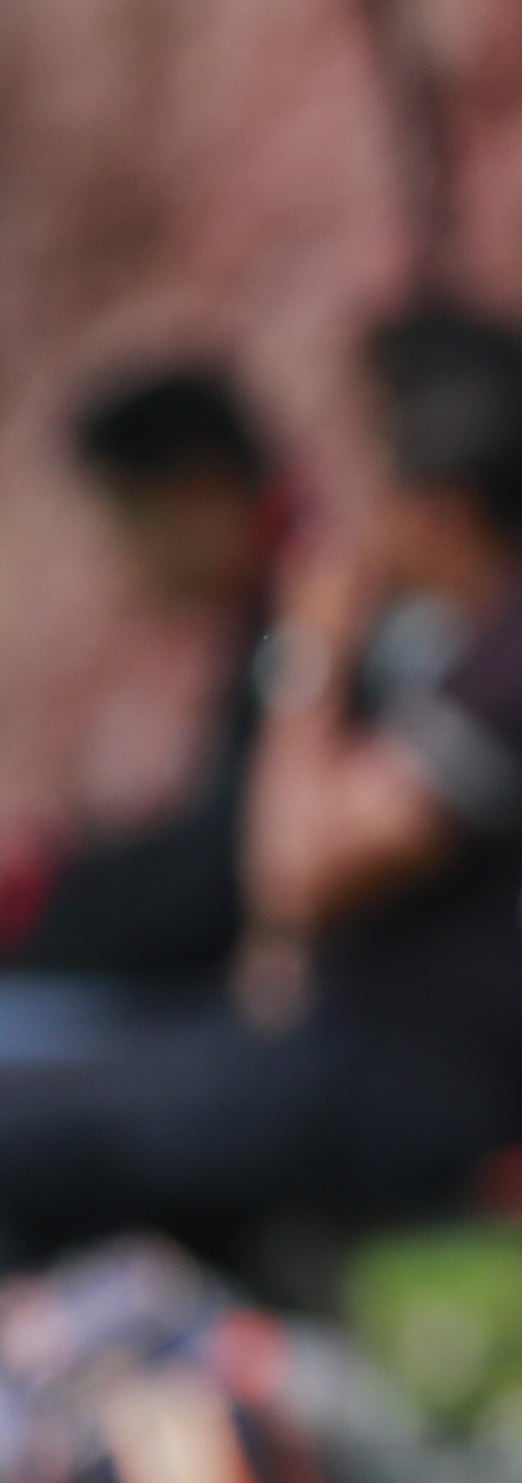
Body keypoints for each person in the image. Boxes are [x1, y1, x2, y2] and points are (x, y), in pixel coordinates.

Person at [0, 312, 522, 1269]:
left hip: (418, 1077)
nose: (348, 525)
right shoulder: (476, 650)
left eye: (374, 487)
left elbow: (291, 872)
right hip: (340, 1050)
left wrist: (311, 647)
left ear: (440, 510)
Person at [0, 367, 286, 1067]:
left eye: (131, 517)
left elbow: (227, 870)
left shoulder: (310, 619)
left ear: (198, 493)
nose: (129, 556)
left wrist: (44, 923)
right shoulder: (265, 616)